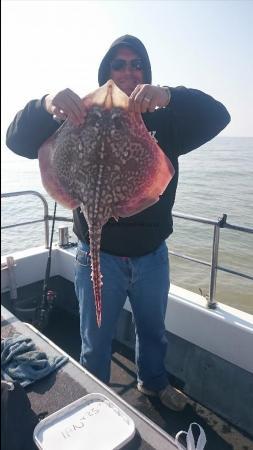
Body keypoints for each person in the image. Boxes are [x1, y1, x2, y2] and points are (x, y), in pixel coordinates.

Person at [6, 35, 230, 411]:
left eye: (136, 64)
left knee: (153, 332)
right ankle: (96, 397)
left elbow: (218, 115)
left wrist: (169, 95)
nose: (127, 72)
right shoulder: (77, 115)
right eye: (118, 64)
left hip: (151, 255)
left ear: (146, 72)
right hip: (99, 254)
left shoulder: (163, 117)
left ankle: (153, 382)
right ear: (105, 71)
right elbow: (16, 140)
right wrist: (47, 105)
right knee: (95, 336)